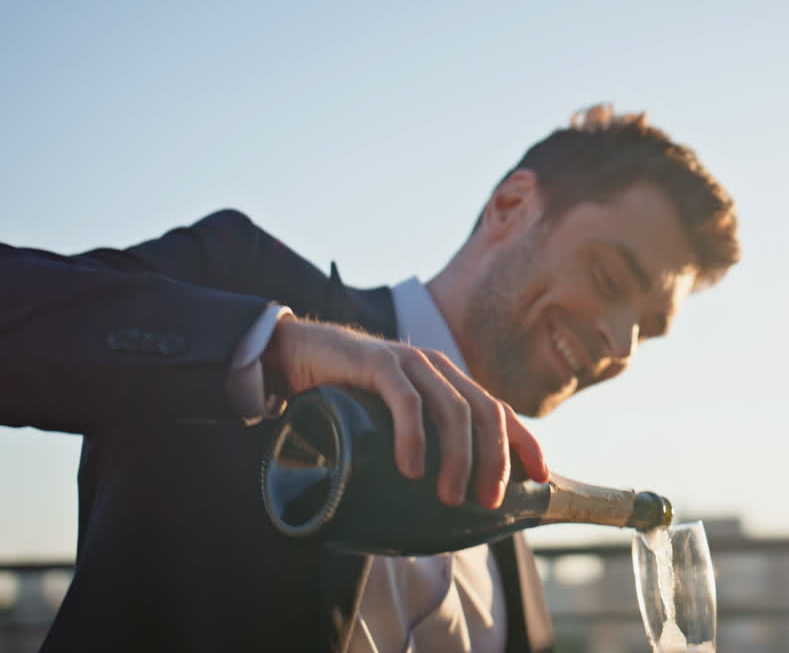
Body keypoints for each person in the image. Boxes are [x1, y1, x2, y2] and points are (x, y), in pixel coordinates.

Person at [5, 103, 740, 653]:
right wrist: (275, 347)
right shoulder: (237, 284)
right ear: (512, 206)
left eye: (648, 331)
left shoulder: (520, 550)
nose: (619, 341)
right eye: (611, 276)